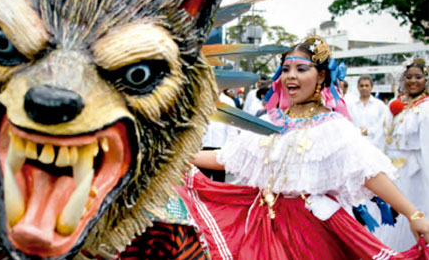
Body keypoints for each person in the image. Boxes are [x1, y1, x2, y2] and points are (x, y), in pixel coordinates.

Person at [176, 36, 429, 259]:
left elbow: (368, 173)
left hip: (310, 228)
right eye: (286, 69)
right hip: (262, 224)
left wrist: (413, 214)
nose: (291, 76)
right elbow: (227, 158)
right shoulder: (269, 121)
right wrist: (179, 157)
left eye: (301, 68)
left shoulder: (334, 127)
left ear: (321, 76)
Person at [373, 58, 429, 251]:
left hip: (416, 174)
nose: (413, 81)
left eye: (418, 77)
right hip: (392, 171)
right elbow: (379, 138)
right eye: (408, 77)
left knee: (413, 210)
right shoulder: (395, 107)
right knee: (390, 213)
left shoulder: (426, 108)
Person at [347, 75, 389, 149]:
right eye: (361, 86)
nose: (364, 88)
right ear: (358, 87)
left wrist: (368, 131)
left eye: (367, 86)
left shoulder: (380, 105)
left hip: (375, 145)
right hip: (355, 145)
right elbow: (348, 123)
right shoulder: (351, 105)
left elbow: (383, 125)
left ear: (371, 87)